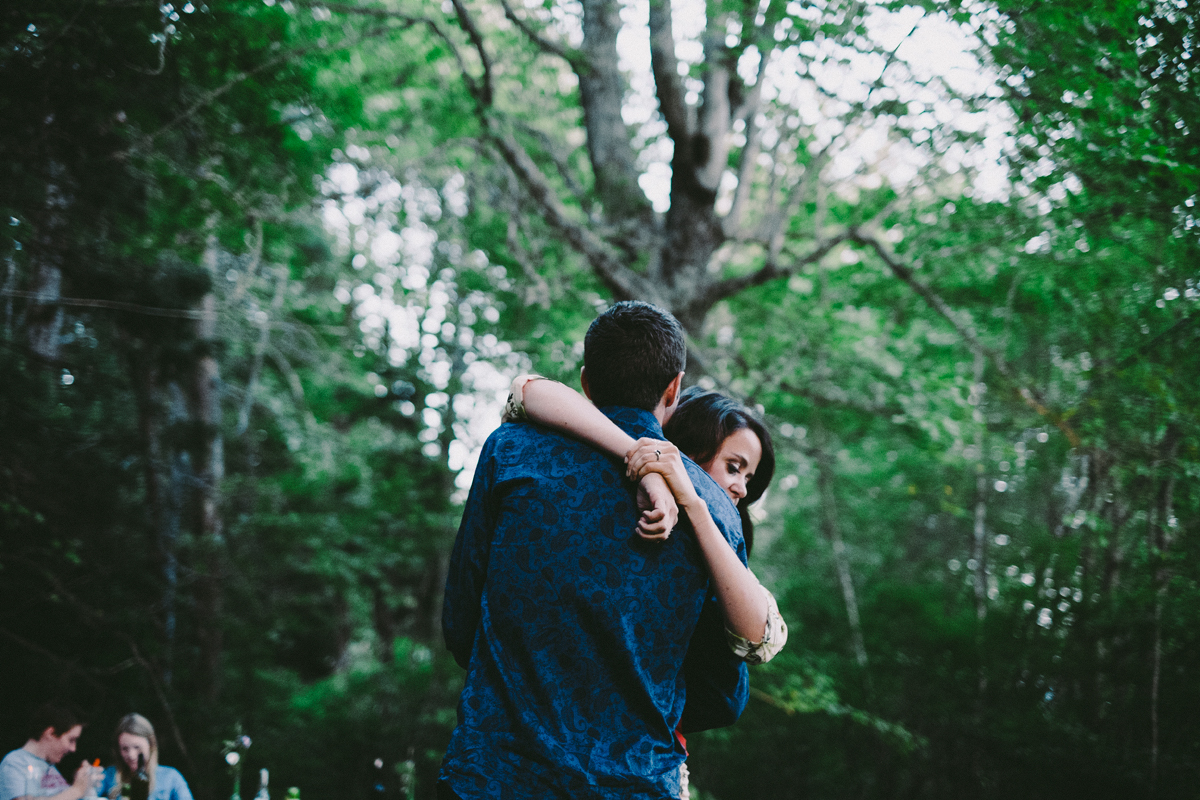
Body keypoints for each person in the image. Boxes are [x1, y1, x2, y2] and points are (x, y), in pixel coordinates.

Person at [439, 301, 749, 800]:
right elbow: (724, 696)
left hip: (496, 775)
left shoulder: (511, 451)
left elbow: (460, 624)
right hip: (636, 783)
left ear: (586, 380)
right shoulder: (714, 510)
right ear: (674, 387)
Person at [506, 380, 789, 800]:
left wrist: (693, 502)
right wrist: (641, 459)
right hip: (586, 739)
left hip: (657, 749)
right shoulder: (608, 475)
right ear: (690, 449)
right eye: (734, 467)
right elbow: (525, 391)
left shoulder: (725, 529)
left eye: (748, 476)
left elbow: (763, 638)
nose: (743, 488)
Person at [0, 703, 100, 800]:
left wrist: (84, 783)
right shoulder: (15, 763)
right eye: (71, 740)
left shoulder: (49, 766)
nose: (73, 749)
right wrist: (76, 791)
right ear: (50, 733)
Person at [96, 715, 192, 800]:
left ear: (150, 745)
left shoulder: (171, 778)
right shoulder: (110, 775)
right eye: (125, 749)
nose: (131, 755)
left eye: (137, 747)